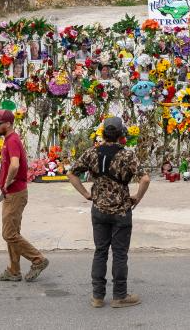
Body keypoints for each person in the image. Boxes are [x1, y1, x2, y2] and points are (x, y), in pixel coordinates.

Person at [68, 117, 150, 309]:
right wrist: (137, 197)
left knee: (100, 251)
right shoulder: (128, 156)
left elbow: (71, 174)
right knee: (120, 253)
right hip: (121, 210)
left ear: (103, 133)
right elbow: (145, 179)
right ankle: (119, 296)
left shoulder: (91, 153)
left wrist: (86, 194)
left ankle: (97, 296)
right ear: (122, 134)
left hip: (98, 209)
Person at [0, 109, 50, 282]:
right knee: (12, 232)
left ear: (8, 124)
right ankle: (13, 270)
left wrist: (8, 182)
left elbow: (15, 165)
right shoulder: (9, 139)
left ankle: (38, 259)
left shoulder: (12, 140)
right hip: (11, 193)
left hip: (15, 193)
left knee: (9, 234)